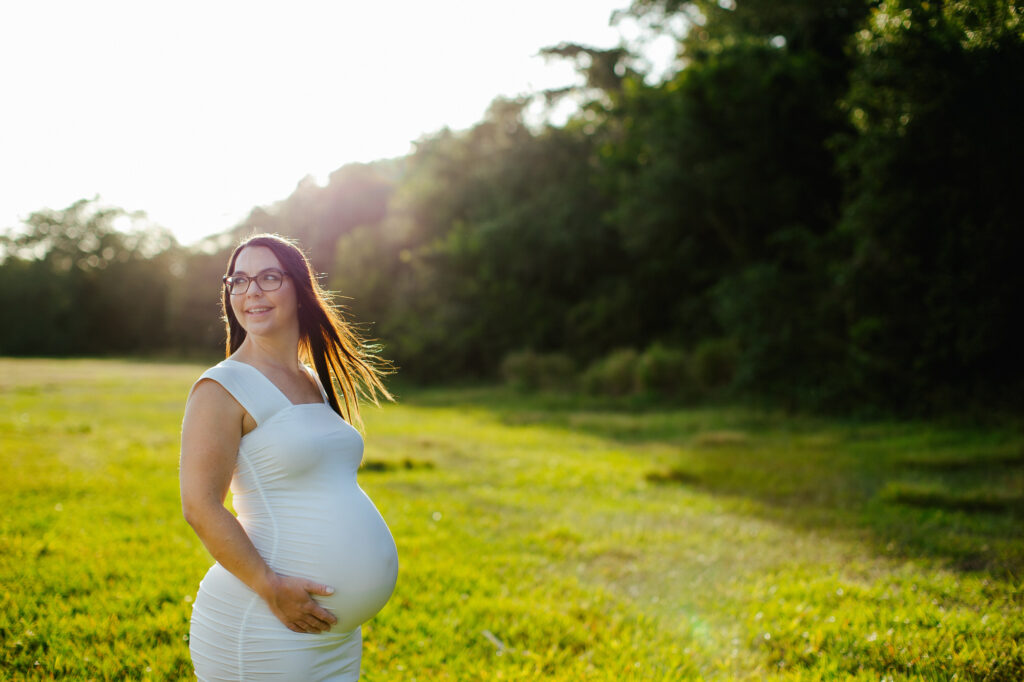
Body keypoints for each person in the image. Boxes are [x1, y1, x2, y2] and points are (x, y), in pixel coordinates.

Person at [180, 233, 399, 680]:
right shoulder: (221, 388)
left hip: (332, 636)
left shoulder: (312, 379)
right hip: (267, 621)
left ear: (300, 289)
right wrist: (271, 586)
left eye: (268, 277)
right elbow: (200, 507)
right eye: (238, 281)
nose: (251, 291)